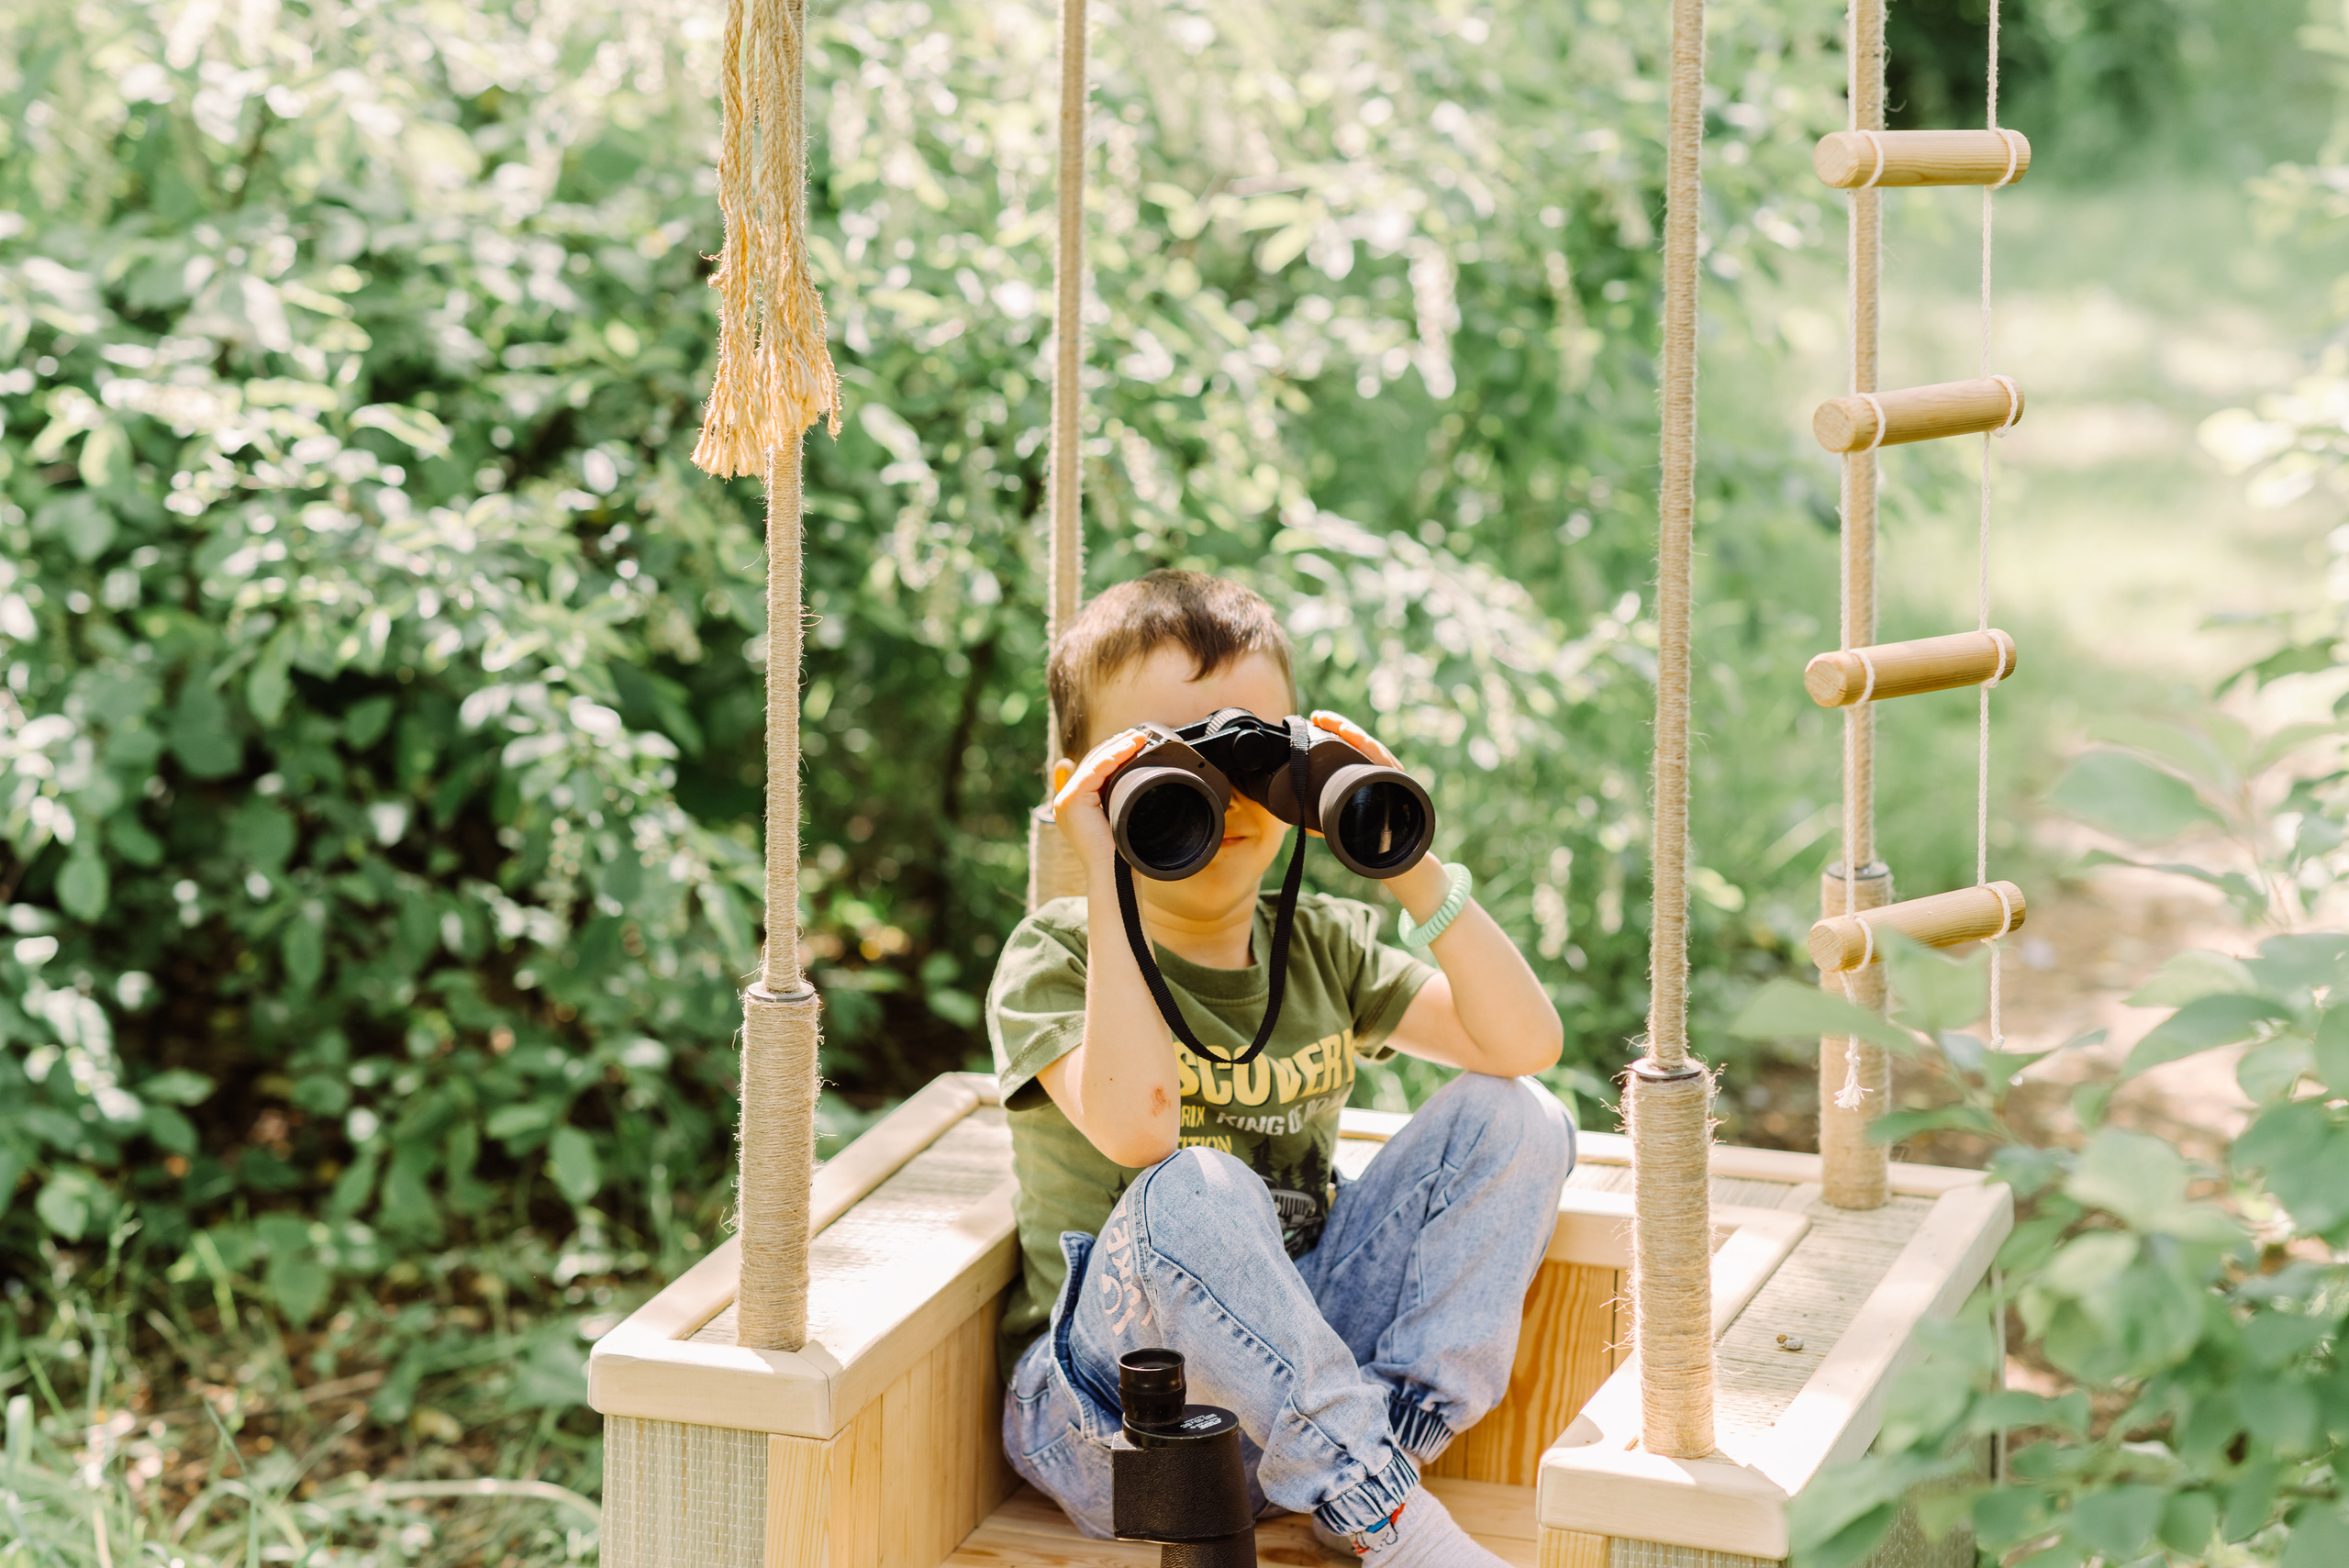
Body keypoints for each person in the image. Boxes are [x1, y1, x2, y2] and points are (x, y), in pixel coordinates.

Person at [988, 569, 1574, 1567]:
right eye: (1173, 763)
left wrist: (1403, 852)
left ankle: (1373, 1463)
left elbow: (1521, 1044)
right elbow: (1140, 1131)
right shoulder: (1060, 958)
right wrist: (1104, 870)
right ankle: (1385, 1509)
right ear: (1087, 788)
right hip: (1122, 1432)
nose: (1223, 794)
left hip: (1296, 1404)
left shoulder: (1319, 942)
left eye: (1253, 753)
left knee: (1518, 1115)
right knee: (1195, 1183)